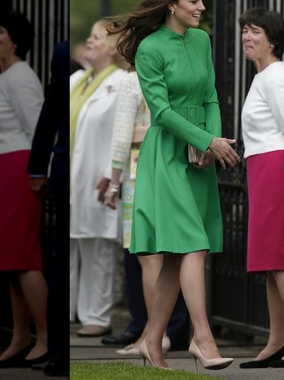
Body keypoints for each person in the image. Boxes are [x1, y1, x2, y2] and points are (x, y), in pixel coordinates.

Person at [110, 0, 240, 371]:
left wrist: (210, 142)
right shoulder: (150, 49)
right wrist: (204, 141)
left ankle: (152, 340)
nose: (202, 7)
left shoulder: (201, 40)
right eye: (195, 1)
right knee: (194, 244)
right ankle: (202, 338)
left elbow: (211, 97)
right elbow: (161, 112)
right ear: (172, 5)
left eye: (202, 0)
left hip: (198, 156)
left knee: (173, 257)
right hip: (165, 157)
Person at [102, 68, 189, 356]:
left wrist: (113, 184)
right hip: (168, 168)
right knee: (162, 256)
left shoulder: (132, 80)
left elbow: (121, 136)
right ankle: (154, 333)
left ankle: (154, 334)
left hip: (139, 172)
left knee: (148, 258)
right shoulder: (172, 74)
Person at [236, 7, 284, 369]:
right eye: (245, 31)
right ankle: (277, 339)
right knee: (269, 260)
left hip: (277, 168)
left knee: (280, 256)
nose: (247, 37)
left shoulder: (277, 76)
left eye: (256, 32)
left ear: (274, 40)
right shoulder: (263, 76)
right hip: (261, 167)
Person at [0, 8, 48, 369]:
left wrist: (38, 172)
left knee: (23, 256)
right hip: (3, 167)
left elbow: (36, 128)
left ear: (16, 40)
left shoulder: (20, 76)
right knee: (11, 259)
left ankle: (44, 338)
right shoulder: (5, 76)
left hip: (20, 169)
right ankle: (20, 337)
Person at [70, 19, 128, 338]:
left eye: (95, 37)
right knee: (77, 243)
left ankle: (98, 314)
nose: (88, 41)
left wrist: (111, 172)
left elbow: (120, 130)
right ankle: (75, 310)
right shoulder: (78, 79)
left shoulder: (120, 81)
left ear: (112, 45)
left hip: (102, 177)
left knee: (100, 245)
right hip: (75, 178)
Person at [27, 40, 71, 376]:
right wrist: (38, 166)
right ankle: (58, 350)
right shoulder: (62, 54)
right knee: (61, 260)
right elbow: (52, 108)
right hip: (67, 169)